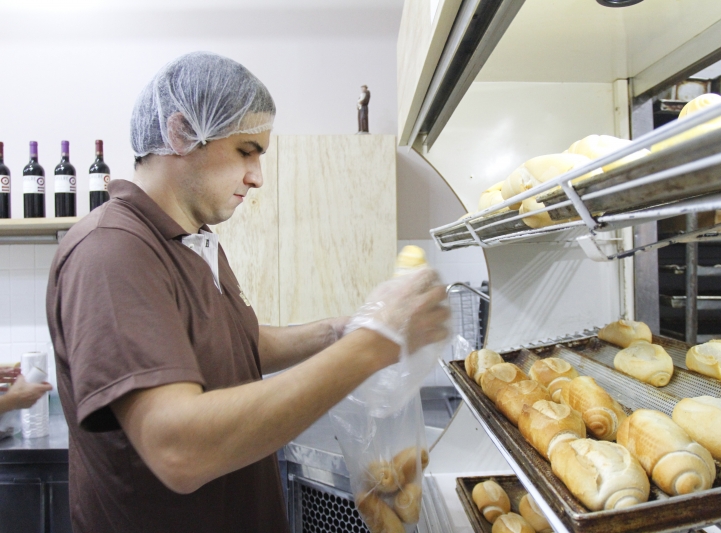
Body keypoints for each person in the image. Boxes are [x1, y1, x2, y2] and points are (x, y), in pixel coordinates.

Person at [46, 52, 449, 533]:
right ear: (181, 132)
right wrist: (374, 344)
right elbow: (178, 449)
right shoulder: (111, 252)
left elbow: (236, 344)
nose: (257, 176)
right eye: (246, 151)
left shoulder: (195, 242)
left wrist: (341, 331)